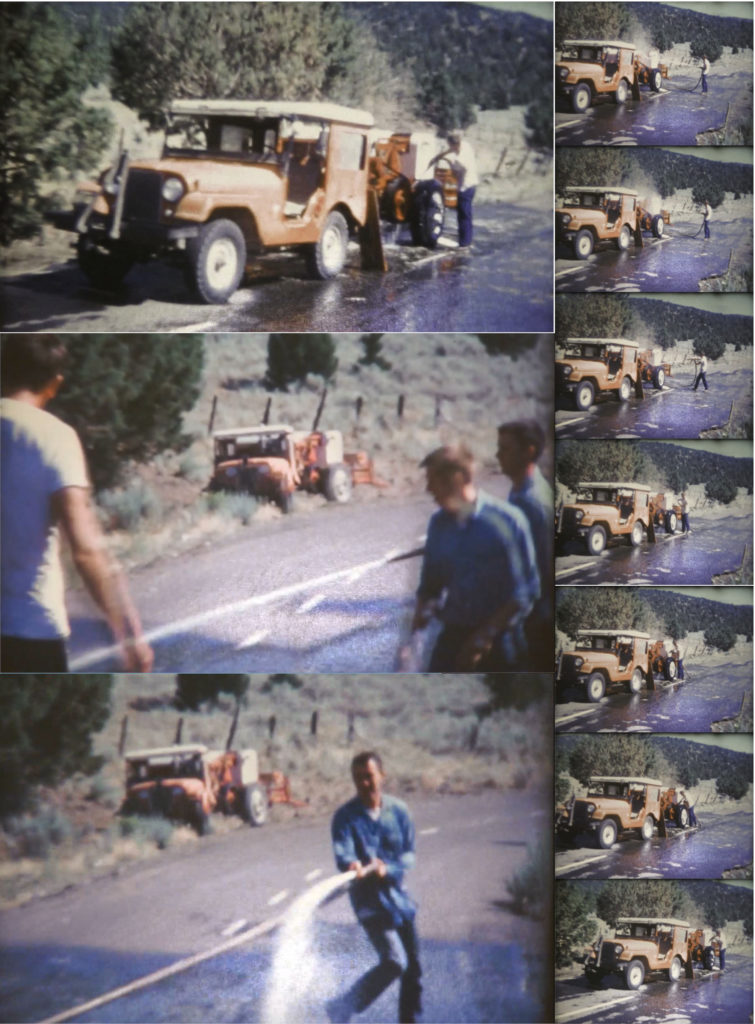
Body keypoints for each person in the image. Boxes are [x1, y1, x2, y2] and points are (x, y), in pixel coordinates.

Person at [1, 335, 153, 672]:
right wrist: (129, 634)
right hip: (26, 630)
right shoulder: (55, 437)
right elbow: (86, 551)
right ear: (54, 385)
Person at [405, 444, 539, 672]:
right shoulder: (439, 524)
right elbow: (431, 584)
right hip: (454, 634)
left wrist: (482, 639)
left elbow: (525, 592)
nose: (428, 489)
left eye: (432, 480)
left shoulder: (506, 521)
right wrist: (423, 609)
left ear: (457, 479)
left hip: (499, 640)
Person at [330, 752, 422, 1024]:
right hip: (370, 904)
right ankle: (342, 1007)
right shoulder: (344, 817)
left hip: (399, 901)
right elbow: (343, 854)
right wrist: (353, 865)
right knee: (395, 962)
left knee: (413, 971)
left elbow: (408, 855)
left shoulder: (399, 811)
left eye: (369, 776)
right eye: (358, 778)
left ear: (382, 775)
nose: (364, 783)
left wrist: (387, 869)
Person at [496, 419, 553, 670]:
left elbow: (540, 570)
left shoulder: (532, 503)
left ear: (528, 451)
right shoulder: (520, 491)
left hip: (535, 620)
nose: (497, 455)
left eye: (505, 449)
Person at [428, 130, 479, 248]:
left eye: (450, 145)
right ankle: (466, 240)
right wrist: (438, 156)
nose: (450, 147)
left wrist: (447, 161)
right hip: (470, 184)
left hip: (466, 187)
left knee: (464, 214)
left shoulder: (461, 158)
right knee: (465, 214)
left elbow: (457, 170)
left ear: (455, 144)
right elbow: (450, 150)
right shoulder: (465, 145)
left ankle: (465, 243)